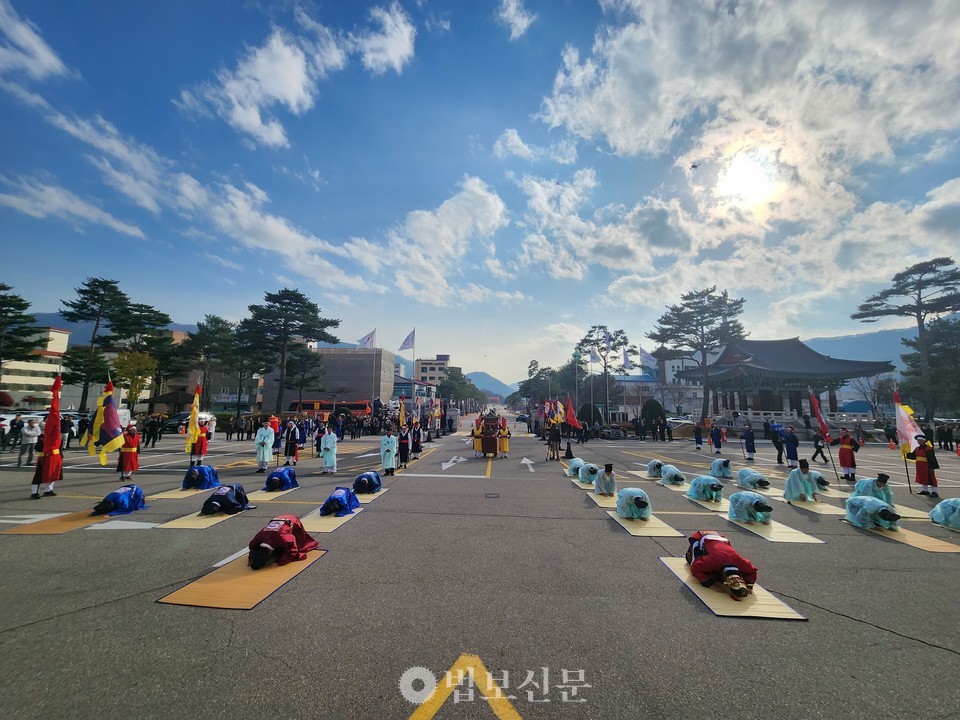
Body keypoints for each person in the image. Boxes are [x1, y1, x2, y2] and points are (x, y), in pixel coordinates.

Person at [684, 530, 757, 600]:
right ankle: (690, 553)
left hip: (721, 539)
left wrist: (749, 585)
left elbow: (753, 571)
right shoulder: (713, 561)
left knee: (713, 573)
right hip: (700, 537)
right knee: (695, 563)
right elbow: (695, 568)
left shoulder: (741, 563)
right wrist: (708, 583)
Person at [247, 515, 319, 570]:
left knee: (298, 545)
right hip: (278, 521)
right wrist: (251, 559)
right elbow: (252, 548)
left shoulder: (283, 538)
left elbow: (292, 551)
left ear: (270, 553)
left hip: (291, 520)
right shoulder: (257, 539)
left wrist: (278, 563)